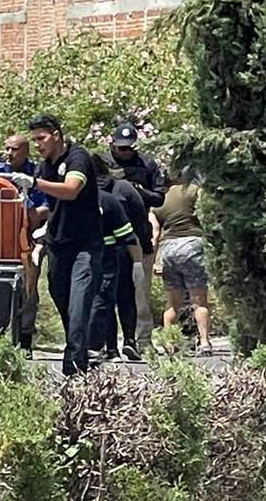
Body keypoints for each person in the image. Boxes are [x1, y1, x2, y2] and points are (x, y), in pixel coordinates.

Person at [11, 114, 103, 376]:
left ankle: (73, 370)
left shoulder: (78, 158)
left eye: (41, 138)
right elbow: (50, 205)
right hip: (58, 245)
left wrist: (36, 183)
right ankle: (81, 352)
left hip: (85, 245)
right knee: (63, 302)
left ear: (56, 135)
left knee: (78, 303)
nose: (38, 144)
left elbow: (71, 189)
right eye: (34, 140)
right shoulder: (45, 166)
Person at [108, 122, 167, 346]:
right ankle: (108, 341)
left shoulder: (147, 164)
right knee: (106, 292)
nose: (125, 152)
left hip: (138, 234)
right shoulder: (102, 163)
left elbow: (160, 197)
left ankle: (142, 340)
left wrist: (138, 193)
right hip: (109, 235)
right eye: (121, 147)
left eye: (129, 148)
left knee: (140, 292)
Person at [0, 134, 48, 357]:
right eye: (6, 148)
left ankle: (24, 338)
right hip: (1, 240)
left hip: (31, 238)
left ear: (25, 151)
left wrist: (33, 213)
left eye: (14, 149)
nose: (9, 153)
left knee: (28, 289)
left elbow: (48, 206)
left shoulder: (38, 173)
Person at [87, 160, 144, 363]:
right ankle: (128, 341)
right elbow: (138, 222)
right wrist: (141, 255)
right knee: (123, 297)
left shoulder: (79, 194)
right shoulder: (122, 190)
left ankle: (110, 348)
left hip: (91, 253)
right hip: (118, 250)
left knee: (103, 300)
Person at [150, 168, 213, 354]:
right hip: (192, 244)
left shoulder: (158, 201)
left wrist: (154, 261)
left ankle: (170, 344)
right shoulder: (195, 191)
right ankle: (204, 342)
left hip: (168, 249)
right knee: (199, 300)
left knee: (172, 303)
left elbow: (154, 233)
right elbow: (207, 216)